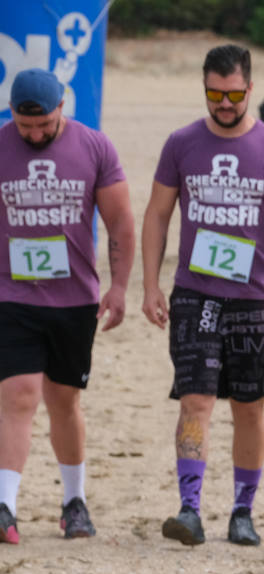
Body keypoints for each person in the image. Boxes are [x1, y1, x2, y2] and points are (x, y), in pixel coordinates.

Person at [141, 44, 264, 548]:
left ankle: (242, 511)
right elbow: (156, 215)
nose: (224, 104)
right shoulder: (181, 144)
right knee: (195, 400)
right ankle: (189, 508)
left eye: (233, 94)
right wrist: (151, 283)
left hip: (255, 300)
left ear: (250, 88)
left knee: (250, 407)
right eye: (214, 93)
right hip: (195, 294)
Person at [0, 68, 135, 544]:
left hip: (75, 298)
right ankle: (5, 505)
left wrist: (118, 287)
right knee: (17, 393)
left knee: (63, 400)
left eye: (44, 125)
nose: (34, 135)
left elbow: (119, 220)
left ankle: (73, 501)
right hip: (11, 294)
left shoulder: (94, 147)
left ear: (62, 108)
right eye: (24, 126)